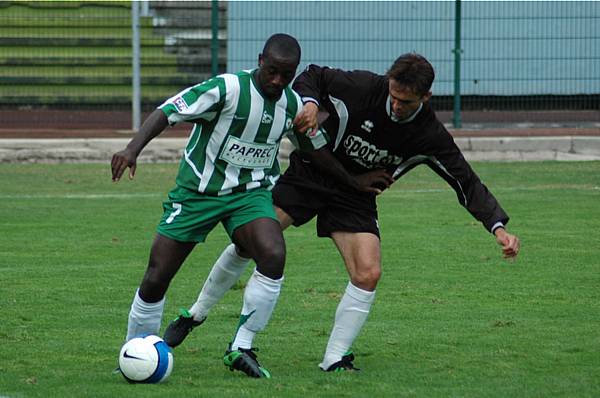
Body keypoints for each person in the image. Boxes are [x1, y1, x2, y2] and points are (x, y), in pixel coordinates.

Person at [162, 53, 521, 372]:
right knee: (250, 243)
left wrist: (497, 227)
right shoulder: (365, 87)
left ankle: (334, 357)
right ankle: (196, 313)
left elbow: (465, 180)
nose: (396, 105)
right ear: (388, 82)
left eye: (406, 102)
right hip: (311, 174)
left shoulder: (429, 134)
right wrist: (310, 103)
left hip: (356, 196)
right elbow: (314, 74)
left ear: (425, 98)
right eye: (394, 96)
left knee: (368, 273)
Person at [111, 33, 363, 379]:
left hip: (250, 195)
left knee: (273, 253)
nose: (277, 81)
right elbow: (169, 111)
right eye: (272, 71)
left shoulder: (291, 104)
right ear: (261, 60)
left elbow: (314, 150)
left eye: (285, 75)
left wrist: (354, 182)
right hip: (198, 194)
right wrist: (132, 149)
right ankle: (135, 353)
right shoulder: (227, 89)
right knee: (157, 277)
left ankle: (241, 346)